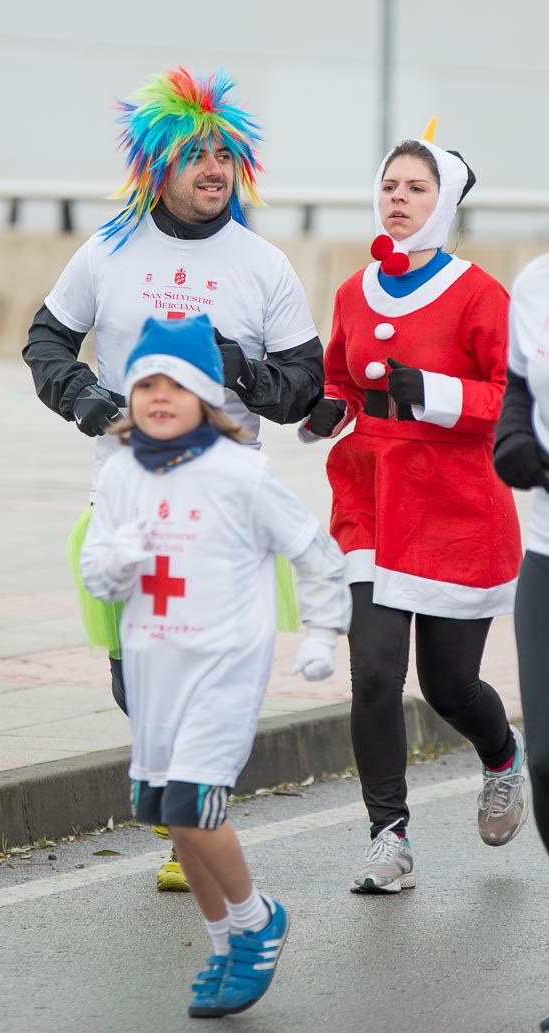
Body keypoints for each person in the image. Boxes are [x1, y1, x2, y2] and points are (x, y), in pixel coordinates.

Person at [23, 66, 323, 891]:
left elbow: (307, 385)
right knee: (134, 676)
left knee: (200, 672)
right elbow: (46, 342)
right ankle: (190, 805)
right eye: (195, 155)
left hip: (223, 511)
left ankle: (194, 821)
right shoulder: (108, 250)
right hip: (122, 497)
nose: (214, 169)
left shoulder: (262, 265)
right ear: (160, 167)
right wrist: (85, 397)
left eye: (224, 155)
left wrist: (240, 371)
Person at [80, 314, 351, 1017]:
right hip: (154, 668)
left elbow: (314, 551)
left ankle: (259, 920)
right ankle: (225, 939)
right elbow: (97, 575)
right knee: (168, 811)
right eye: (145, 383)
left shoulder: (241, 471)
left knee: (195, 805)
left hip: (224, 664)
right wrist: (119, 559)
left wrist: (322, 632)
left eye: (176, 383)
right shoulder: (118, 473)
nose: (159, 396)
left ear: (206, 394)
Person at [299, 118, 528, 894]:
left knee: (448, 685)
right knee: (373, 672)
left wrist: (429, 392)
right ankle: (388, 836)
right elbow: (339, 378)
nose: (398, 199)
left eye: (416, 188)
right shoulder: (352, 291)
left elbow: (508, 399)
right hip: (371, 498)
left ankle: (501, 755)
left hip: (458, 508)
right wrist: (325, 409)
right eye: (390, 186)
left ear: (444, 203)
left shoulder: (480, 295)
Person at [493, 254, 549, 1033]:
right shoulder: (537, 282)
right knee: (548, 761)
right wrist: (512, 441)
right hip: (547, 551)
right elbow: (518, 393)